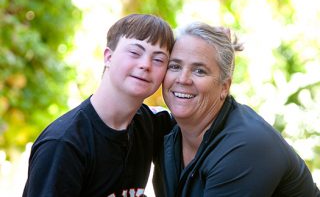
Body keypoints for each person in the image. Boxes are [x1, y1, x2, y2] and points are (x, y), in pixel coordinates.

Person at [153, 22, 320, 196]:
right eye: (175, 66)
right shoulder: (167, 130)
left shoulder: (246, 145)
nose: (183, 79)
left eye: (200, 71)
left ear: (224, 87)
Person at [23, 14, 174, 197]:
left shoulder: (151, 124)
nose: (145, 65)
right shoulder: (64, 144)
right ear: (108, 57)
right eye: (135, 52)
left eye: (158, 59)